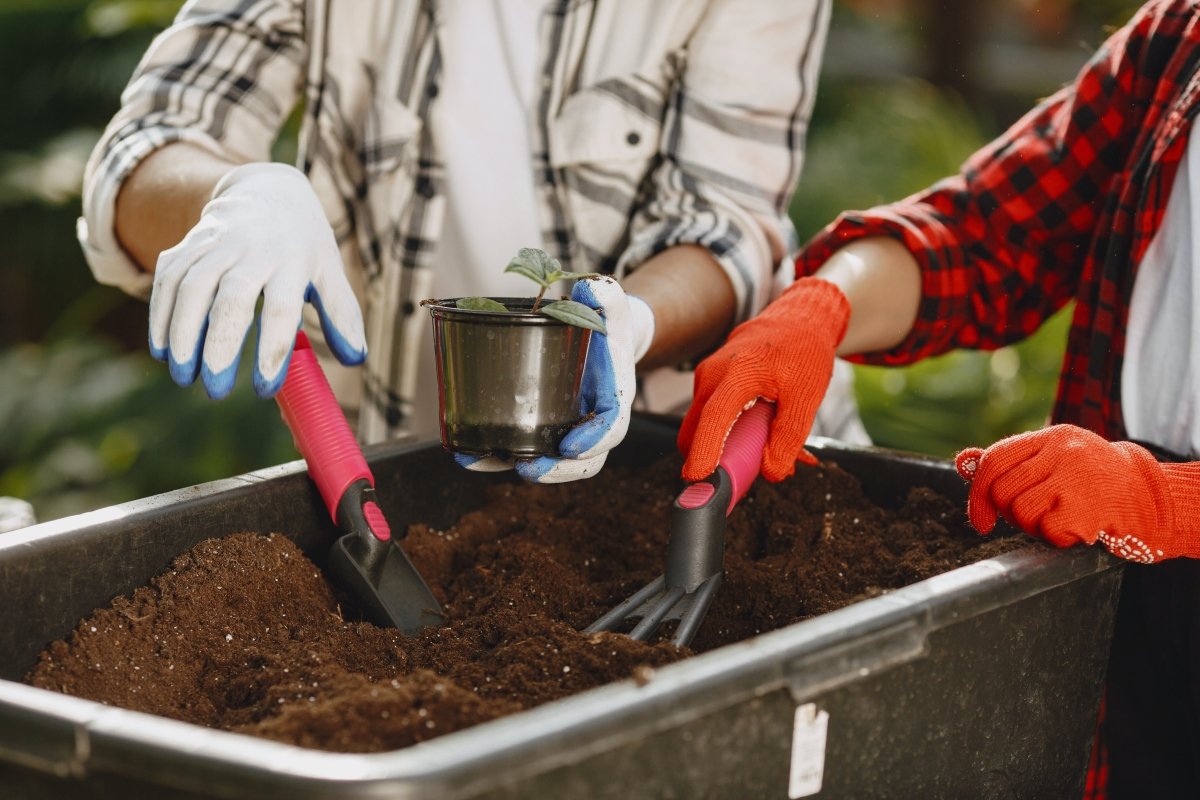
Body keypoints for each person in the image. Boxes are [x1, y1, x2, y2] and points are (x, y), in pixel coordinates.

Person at [678, 1, 1200, 797]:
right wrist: (823, 307)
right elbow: (989, 233)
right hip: (1119, 559)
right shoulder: (1178, 47)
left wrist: (1173, 504)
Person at [77, 0, 863, 483]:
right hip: (403, 454)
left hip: (689, 458)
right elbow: (150, 140)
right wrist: (239, 195)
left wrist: (624, 327)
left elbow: (725, 220)